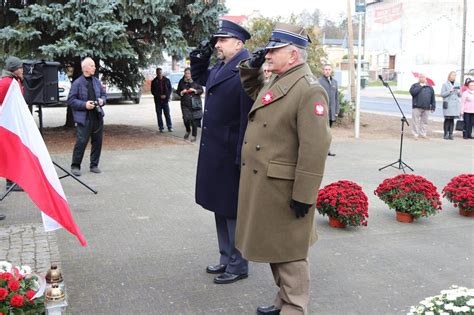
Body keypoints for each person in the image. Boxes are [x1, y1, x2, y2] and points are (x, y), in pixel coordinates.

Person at [236, 22, 331, 314]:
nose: (267, 54)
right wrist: (250, 66)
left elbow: (314, 149)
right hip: (268, 186)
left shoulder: (308, 90)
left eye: (273, 50)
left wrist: (304, 194)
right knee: (275, 247)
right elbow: (255, 90)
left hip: (286, 190)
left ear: (292, 55)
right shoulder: (280, 80)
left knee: (290, 253)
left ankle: (295, 306)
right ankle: (283, 300)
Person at [190, 20, 253, 284]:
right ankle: (226, 257)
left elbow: (246, 117)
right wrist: (199, 55)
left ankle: (239, 264)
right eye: (216, 41)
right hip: (215, 150)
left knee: (233, 210)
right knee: (219, 205)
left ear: (238, 44)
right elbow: (201, 78)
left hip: (231, 153)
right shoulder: (221, 67)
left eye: (222, 40)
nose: (217, 44)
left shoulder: (247, 70)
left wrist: (241, 157)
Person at [68, 57, 106, 176]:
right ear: (85, 68)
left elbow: (104, 95)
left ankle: (94, 165)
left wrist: (102, 101)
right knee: (81, 142)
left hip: (97, 117)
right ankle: (75, 166)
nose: (94, 67)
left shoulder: (96, 81)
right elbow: (71, 100)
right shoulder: (77, 83)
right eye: (92, 65)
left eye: (94, 66)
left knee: (97, 142)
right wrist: (84, 105)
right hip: (84, 119)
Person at [0, 56, 25, 195]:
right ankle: (11, 182)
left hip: (14, 124)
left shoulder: (15, 82)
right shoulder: (6, 83)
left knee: (13, 153)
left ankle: (13, 181)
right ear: (14, 69)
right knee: (10, 154)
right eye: (20, 68)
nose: (22, 70)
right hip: (8, 126)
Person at [176, 68, 203, 142]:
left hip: (194, 103)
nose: (187, 75)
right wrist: (182, 92)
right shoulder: (181, 81)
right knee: (185, 119)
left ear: (191, 73)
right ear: (184, 74)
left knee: (194, 120)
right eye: (186, 73)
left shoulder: (196, 80)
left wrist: (195, 90)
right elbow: (178, 91)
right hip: (185, 103)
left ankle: (194, 136)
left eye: (189, 73)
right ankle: (188, 130)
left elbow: (201, 90)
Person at [318, 64, 339, 156]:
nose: (327, 71)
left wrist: (337, 111)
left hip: (331, 112)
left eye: (329, 69)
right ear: (323, 70)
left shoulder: (334, 82)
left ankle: (327, 150)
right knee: (322, 131)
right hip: (322, 112)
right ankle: (321, 150)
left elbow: (336, 98)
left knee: (328, 132)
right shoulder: (319, 81)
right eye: (326, 69)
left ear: (331, 71)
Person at [409, 74, 436, 139]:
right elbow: (413, 93)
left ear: (426, 78)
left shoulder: (430, 87)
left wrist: (433, 106)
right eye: (421, 77)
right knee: (415, 121)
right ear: (419, 78)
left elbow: (433, 97)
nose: (422, 78)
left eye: (423, 77)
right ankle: (415, 134)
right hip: (417, 106)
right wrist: (420, 86)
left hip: (426, 107)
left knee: (424, 122)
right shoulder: (415, 85)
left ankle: (423, 133)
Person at [150, 68, 173, 132]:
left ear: (162, 73)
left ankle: (170, 127)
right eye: (158, 73)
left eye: (160, 73)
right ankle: (161, 127)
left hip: (165, 100)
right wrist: (159, 96)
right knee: (159, 115)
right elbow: (152, 91)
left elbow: (170, 89)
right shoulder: (154, 81)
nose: (159, 74)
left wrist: (166, 95)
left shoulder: (167, 80)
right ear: (156, 73)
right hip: (158, 101)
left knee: (167, 114)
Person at [440, 71, 461, 140]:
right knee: (447, 119)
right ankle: (446, 133)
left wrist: (458, 92)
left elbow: (460, 95)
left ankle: (451, 134)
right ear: (449, 76)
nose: (454, 76)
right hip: (448, 104)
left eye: (455, 75)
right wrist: (450, 91)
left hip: (455, 105)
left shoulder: (457, 84)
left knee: (452, 120)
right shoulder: (445, 84)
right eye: (453, 75)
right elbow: (442, 94)